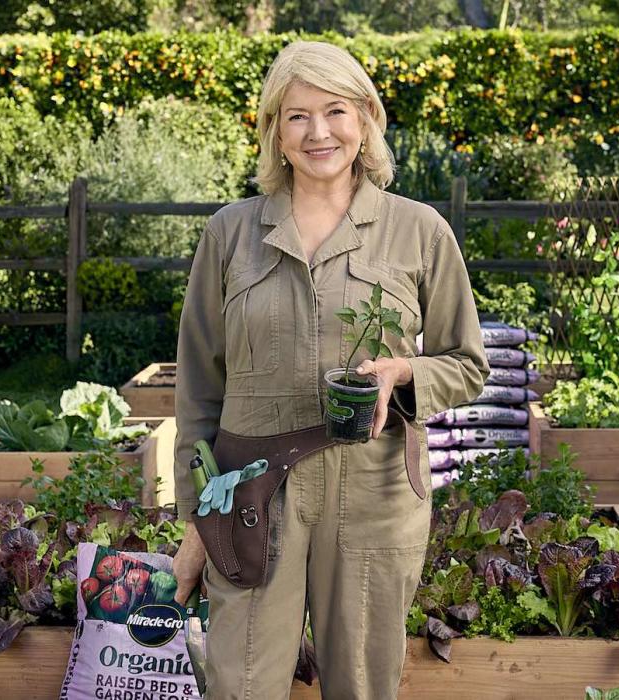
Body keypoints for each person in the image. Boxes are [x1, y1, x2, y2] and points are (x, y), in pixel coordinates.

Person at [171, 40, 488, 699]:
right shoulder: (229, 235)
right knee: (241, 682)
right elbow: (200, 387)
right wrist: (196, 519)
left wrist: (403, 371)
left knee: (363, 687)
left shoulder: (419, 230)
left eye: (336, 110)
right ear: (273, 133)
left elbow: (466, 364)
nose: (318, 132)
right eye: (296, 116)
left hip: (374, 494)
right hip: (251, 496)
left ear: (366, 118)